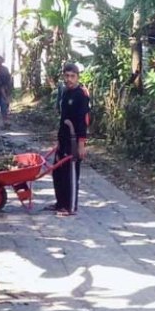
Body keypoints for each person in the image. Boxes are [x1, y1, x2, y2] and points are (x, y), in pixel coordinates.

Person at [45, 63, 90, 216]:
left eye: (72, 76)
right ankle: (60, 203)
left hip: (74, 140)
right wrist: (59, 141)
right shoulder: (64, 92)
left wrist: (81, 144)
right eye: (67, 76)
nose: (69, 79)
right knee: (58, 172)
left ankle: (70, 207)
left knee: (70, 174)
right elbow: (63, 118)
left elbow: (83, 121)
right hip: (63, 138)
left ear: (77, 77)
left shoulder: (81, 95)